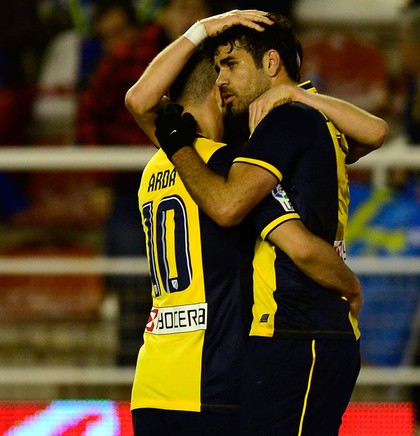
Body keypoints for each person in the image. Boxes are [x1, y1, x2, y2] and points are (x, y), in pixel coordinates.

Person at [125, 10, 384, 434]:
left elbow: (139, 101)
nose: (225, 81)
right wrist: (351, 286)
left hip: (154, 380)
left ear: (270, 64)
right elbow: (277, 231)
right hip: (214, 378)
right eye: (221, 70)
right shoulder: (225, 167)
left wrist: (203, 29)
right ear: (213, 91)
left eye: (232, 66)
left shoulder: (165, 161)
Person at [76, 0, 215, 366]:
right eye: (180, 9)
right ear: (165, 13)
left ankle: (193, 364)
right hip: (130, 185)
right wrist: (103, 176)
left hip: (197, 178)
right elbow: (90, 111)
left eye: (195, 10)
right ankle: (128, 371)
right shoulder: (131, 55)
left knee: (199, 281)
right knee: (132, 282)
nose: (187, 18)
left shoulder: (219, 56)